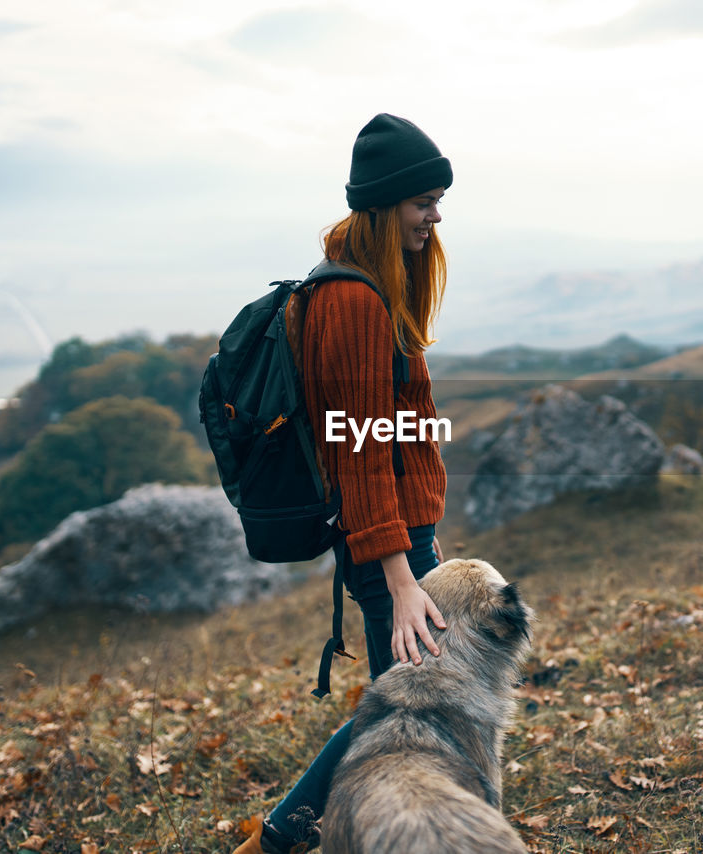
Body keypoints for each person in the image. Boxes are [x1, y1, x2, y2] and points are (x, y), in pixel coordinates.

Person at [232, 113, 453, 854]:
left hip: (398, 539)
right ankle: (278, 842)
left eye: (437, 198)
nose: (435, 215)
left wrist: (424, 546)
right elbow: (358, 452)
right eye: (423, 201)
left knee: (407, 712)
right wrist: (399, 573)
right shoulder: (354, 301)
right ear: (387, 204)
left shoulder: (361, 290)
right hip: (382, 547)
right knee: (398, 718)